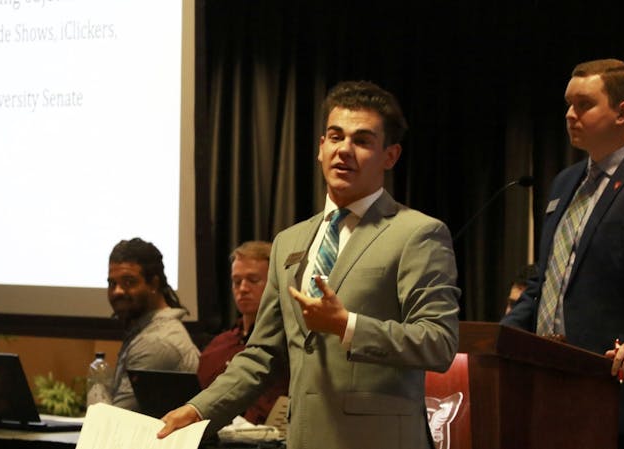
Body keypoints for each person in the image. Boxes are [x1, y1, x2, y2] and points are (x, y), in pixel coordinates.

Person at [159, 80, 460, 449]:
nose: (344, 150)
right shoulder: (290, 242)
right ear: (321, 148)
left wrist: (346, 325)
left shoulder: (417, 233)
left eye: (362, 141)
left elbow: (439, 342)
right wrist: (197, 410)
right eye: (335, 137)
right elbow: (262, 354)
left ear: (390, 156)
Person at [502, 59, 624, 448]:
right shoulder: (565, 182)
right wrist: (498, 338)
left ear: (622, 112)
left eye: (584, 104)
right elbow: (544, 281)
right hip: (545, 385)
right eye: (569, 105)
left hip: (610, 388)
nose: (570, 115)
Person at [196, 241, 289, 425]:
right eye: (237, 281)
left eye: (253, 280)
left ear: (274, 283)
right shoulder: (218, 345)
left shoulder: (288, 345)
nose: (243, 289)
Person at [106, 238, 200, 410]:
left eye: (128, 282)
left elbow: (120, 421)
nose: (117, 291)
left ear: (154, 284)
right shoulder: (147, 332)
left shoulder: (157, 342)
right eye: (112, 283)